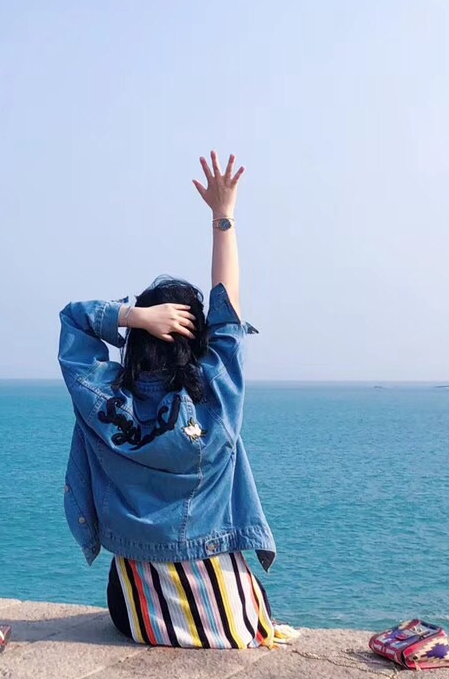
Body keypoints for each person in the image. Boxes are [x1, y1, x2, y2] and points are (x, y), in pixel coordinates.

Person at [58, 152, 291, 649]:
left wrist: (135, 317)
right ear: (199, 342)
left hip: (139, 615)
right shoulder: (216, 396)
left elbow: (73, 320)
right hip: (226, 617)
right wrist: (222, 217)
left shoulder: (102, 401)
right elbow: (228, 312)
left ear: (138, 340)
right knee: (251, 595)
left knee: (126, 583)